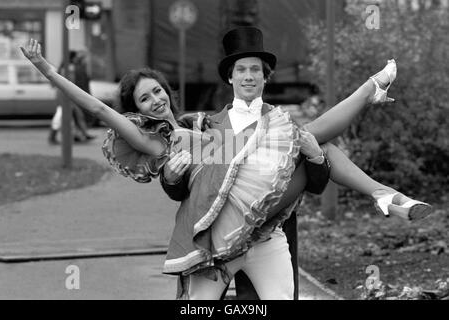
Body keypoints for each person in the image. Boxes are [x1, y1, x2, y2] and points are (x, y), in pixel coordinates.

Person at [21, 34, 431, 300]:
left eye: (158, 92)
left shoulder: (197, 125)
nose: (156, 101)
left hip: (254, 201)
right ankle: (369, 98)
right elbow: (94, 106)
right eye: (145, 99)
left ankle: (381, 190)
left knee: (312, 139)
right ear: (136, 108)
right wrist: (47, 71)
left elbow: (258, 151)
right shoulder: (151, 140)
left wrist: (309, 155)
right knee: (306, 134)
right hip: (216, 223)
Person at [159, 27, 432, 299]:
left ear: (266, 78)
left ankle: (371, 111)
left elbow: (315, 184)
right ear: (230, 77)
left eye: (256, 70)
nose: (249, 76)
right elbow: (184, 190)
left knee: (317, 144)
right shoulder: (209, 127)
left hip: (266, 239)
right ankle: (371, 106)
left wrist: (315, 157)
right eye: (241, 70)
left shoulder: (282, 124)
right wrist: (171, 176)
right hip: (219, 239)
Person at [48, 50, 95, 144]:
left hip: (64, 93)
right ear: (72, 58)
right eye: (76, 56)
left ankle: (83, 134)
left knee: (77, 114)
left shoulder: (62, 68)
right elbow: (70, 83)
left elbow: (54, 84)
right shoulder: (69, 68)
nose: (77, 58)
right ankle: (53, 135)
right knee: (62, 114)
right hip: (66, 94)